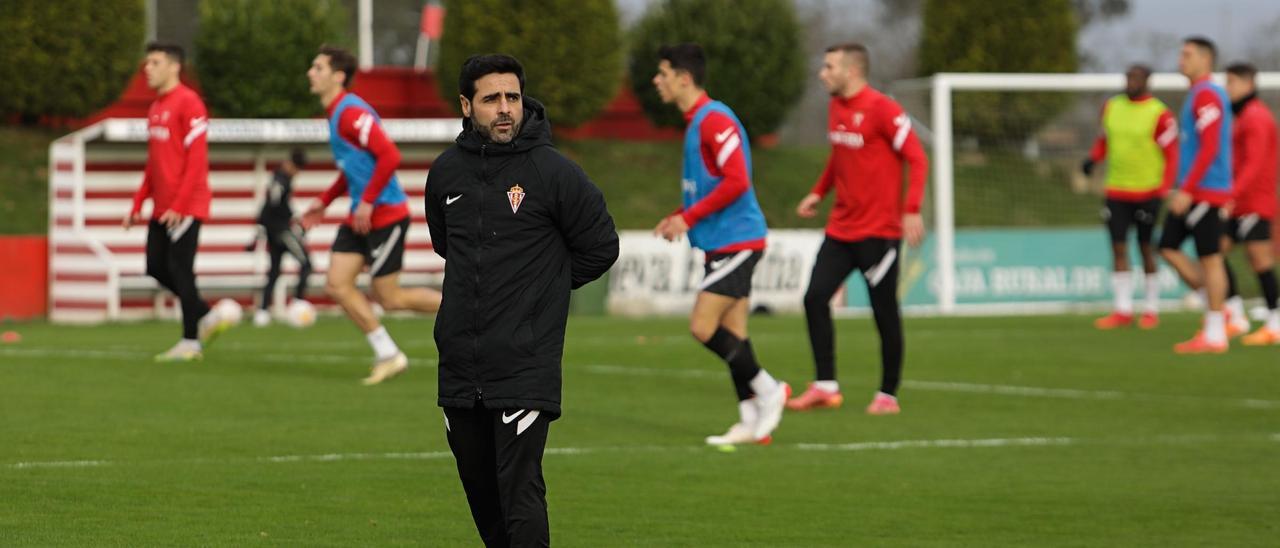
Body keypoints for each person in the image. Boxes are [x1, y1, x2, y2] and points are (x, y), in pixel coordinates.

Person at [425, 54, 618, 547]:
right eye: (491, 99)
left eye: (512, 97)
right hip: (460, 363)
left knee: (520, 493)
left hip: (524, 360)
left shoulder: (554, 172)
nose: (505, 108)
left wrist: (540, 292)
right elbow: (448, 245)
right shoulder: (445, 173)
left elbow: (601, 246)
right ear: (467, 106)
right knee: (482, 495)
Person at [650, 43, 791, 445]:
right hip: (720, 243)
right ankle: (749, 420)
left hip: (739, 241)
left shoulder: (715, 119)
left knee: (702, 326)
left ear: (684, 78)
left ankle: (769, 390)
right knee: (735, 334)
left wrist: (688, 218)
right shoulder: (696, 123)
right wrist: (680, 213)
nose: (656, 81)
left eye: (662, 74)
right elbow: (708, 187)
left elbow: (737, 180)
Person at [787, 43, 928, 414]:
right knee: (815, 297)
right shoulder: (837, 106)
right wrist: (819, 192)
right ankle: (825, 386)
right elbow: (839, 155)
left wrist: (911, 209)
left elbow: (917, 157)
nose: (822, 73)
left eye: (828, 66)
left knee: (884, 312)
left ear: (850, 71)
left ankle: (887, 395)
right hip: (841, 229)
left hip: (879, 234)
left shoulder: (883, 109)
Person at [300, 46, 442, 384]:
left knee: (389, 298)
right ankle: (388, 354)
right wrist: (325, 200)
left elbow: (389, 156)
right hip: (360, 217)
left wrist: (365, 201)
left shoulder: (350, 112)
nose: (310, 72)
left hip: (386, 215)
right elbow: (354, 167)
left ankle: (466, 308)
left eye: (317, 67)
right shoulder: (335, 114)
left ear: (338, 76)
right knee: (336, 284)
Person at [123, 42, 231, 362]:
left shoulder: (190, 103)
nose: (147, 69)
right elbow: (154, 163)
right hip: (162, 205)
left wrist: (180, 205)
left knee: (181, 269)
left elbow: (196, 161)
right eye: (147, 63)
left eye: (154, 62)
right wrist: (138, 203)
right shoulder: (155, 108)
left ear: (174, 66)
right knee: (155, 266)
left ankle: (190, 342)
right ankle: (205, 314)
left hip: (185, 204)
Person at [1084, 64, 1179, 330]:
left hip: (1148, 191)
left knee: (1146, 247)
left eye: (1136, 78)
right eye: (1128, 77)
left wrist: (1164, 188)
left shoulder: (1159, 114)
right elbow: (1104, 140)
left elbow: (1172, 154)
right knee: (1118, 247)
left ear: (1148, 81)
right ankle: (1122, 309)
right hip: (1116, 189)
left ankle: (1151, 308)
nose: (1130, 82)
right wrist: (1093, 159)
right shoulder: (1112, 107)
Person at [1158, 36, 1234, 354]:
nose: (1181, 60)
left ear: (1206, 59)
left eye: (1187, 54)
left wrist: (1187, 190)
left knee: (1210, 259)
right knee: (1168, 246)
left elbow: (1211, 145)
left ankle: (1216, 332)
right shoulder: (1196, 95)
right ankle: (1218, 308)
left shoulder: (1207, 95)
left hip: (1206, 192)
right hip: (1196, 190)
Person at [1222, 62, 1280, 345]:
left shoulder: (1256, 116)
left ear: (1248, 84)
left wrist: (1232, 194)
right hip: (1240, 201)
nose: (1227, 88)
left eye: (1231, 82)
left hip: (1254, 201)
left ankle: (1275, 322)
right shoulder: (1243, 117)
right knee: (1215, 249)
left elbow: (1254, 164)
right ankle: (1234, 315)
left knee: (1260, 259)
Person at [246, 148, 313, 326]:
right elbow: (272, 206)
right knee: (306, 264)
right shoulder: (280, 180)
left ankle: (262, 312)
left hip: (273, 231)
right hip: (281, 231)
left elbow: (278, 205)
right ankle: (298, 305)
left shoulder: (281, 179)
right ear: (292, 165)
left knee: (274, 272)